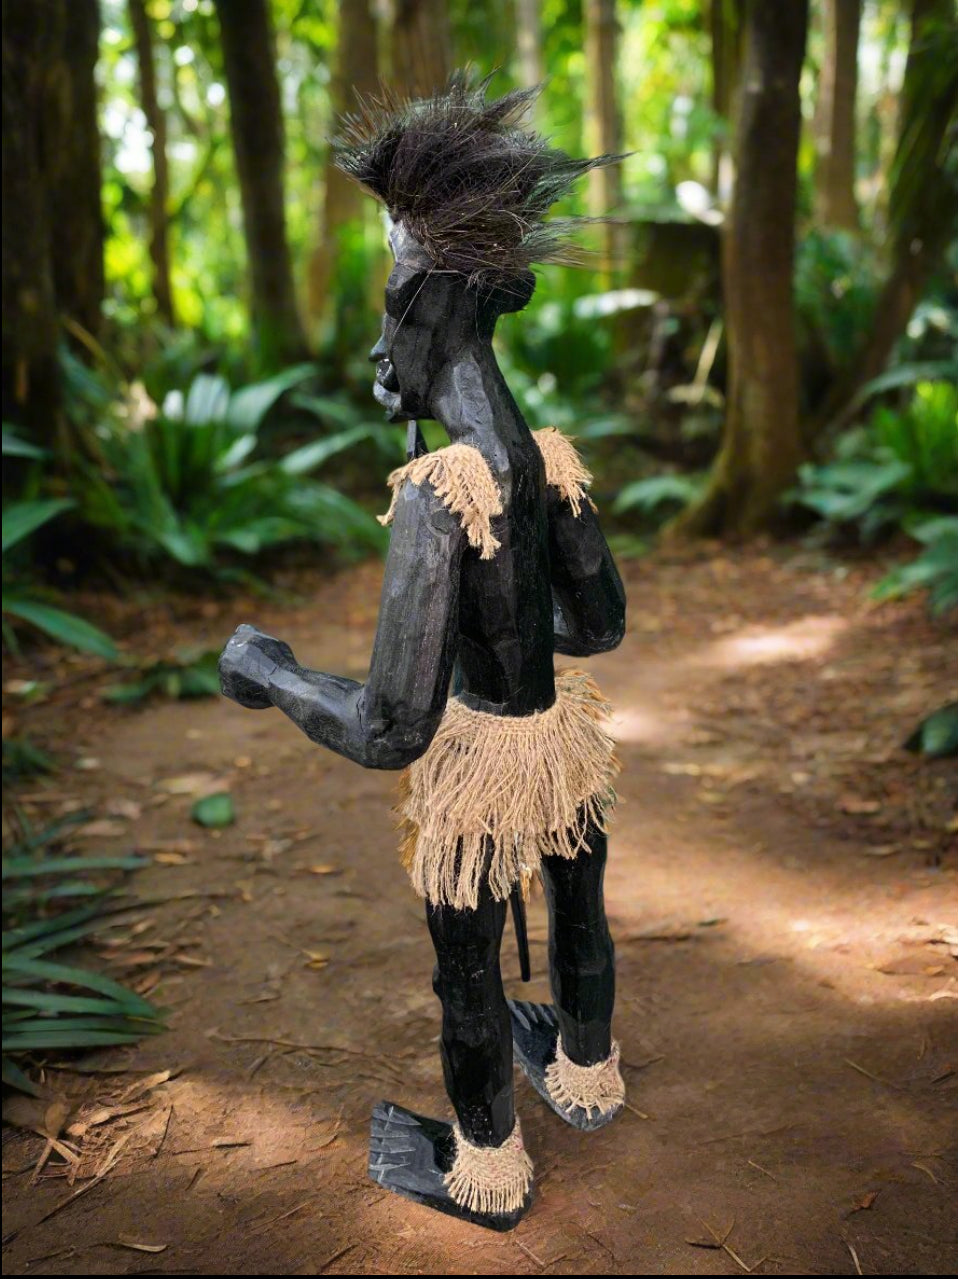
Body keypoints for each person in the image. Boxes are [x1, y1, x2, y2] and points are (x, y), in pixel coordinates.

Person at [219, 73, 627, 1230]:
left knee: (469, 966)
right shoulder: (546, 457)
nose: (378, 339)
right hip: (562, 747)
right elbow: (599, 625)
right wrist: (508, 641)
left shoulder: (440, 494)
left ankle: (488, 1168)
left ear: (446, 304)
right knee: (580, 899)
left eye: (395, 306)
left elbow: (394, 728)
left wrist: (273, 671)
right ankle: (586, 1069)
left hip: (484, 775)